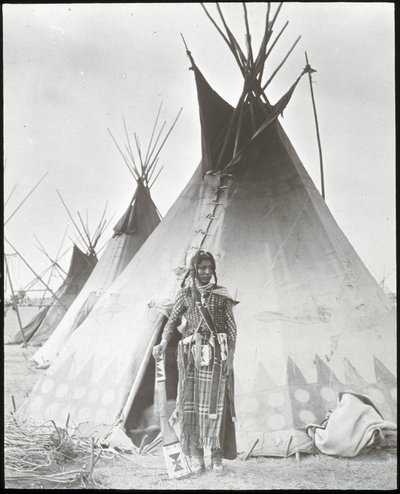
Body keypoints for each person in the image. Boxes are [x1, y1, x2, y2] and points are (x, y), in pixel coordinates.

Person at [153, 249, 238, 474]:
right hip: (191, 357)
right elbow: (171, 323)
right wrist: (163, 342)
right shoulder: (185, 294)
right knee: (192, 408)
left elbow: (231, 329)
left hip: (217, 358)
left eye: (210, 268)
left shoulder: (222, 295)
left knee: (216, 407)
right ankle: (198, 457)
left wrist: (230, 358)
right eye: (202, 268)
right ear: (194, 270)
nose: (207, 272)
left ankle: (217, 458)